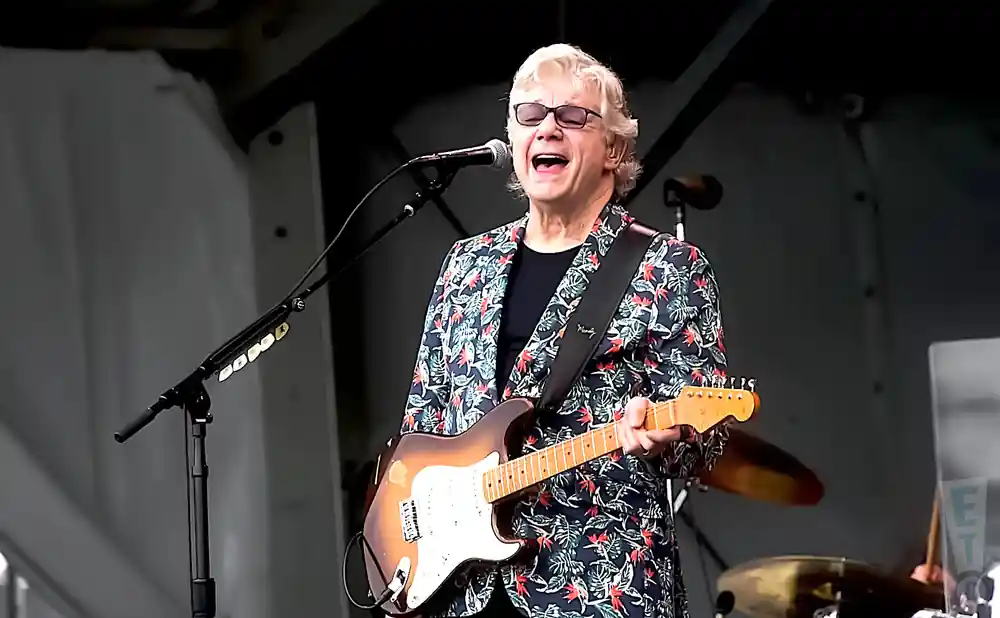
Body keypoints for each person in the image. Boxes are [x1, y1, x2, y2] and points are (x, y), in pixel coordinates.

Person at [399, 43, 729, 618]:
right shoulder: (466, 265)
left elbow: (708, 442)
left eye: (573, 116)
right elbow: (421, 429)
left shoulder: (667, 270)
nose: (548, 128)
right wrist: (404, 533)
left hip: (598, 586)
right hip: (462, 590)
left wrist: (669, 437)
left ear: (613, 149)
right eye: (531, 114)